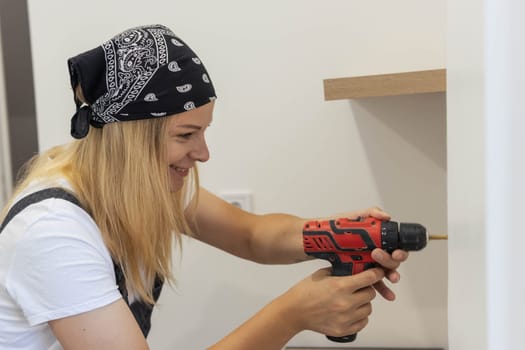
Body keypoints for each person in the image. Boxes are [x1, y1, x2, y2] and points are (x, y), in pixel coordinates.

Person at [0, 24, 408, 350]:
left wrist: (338, 234)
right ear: (132, 138)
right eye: (186, 135)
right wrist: (292, 315)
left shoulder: (140, 186)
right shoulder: (53, 232)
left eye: (204, 132)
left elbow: (253, 236)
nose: (203, 153)